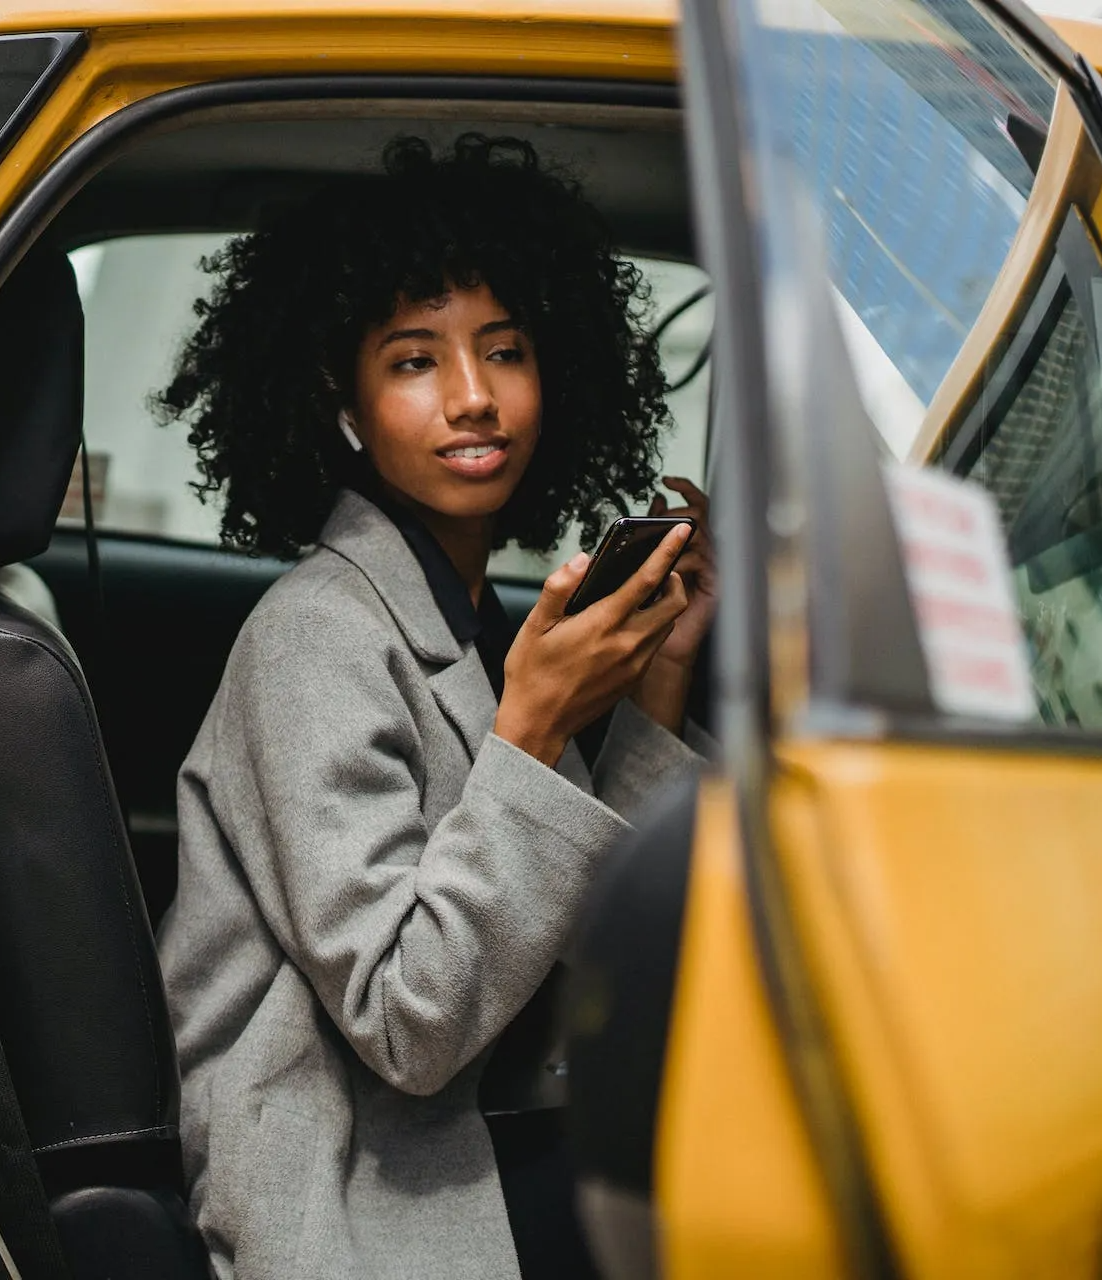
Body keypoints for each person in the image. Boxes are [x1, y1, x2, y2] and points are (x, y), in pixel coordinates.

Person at [151, 135, 717, 1280]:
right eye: (415, 361)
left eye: (504, 351)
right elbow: (410, 1021)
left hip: (492, 1121)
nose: (473, 398)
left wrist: (656, 678)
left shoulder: (464, 612)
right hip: (352, 1184)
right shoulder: (316, 637)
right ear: (341, 398)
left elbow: (573, 942)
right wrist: (531, 729)